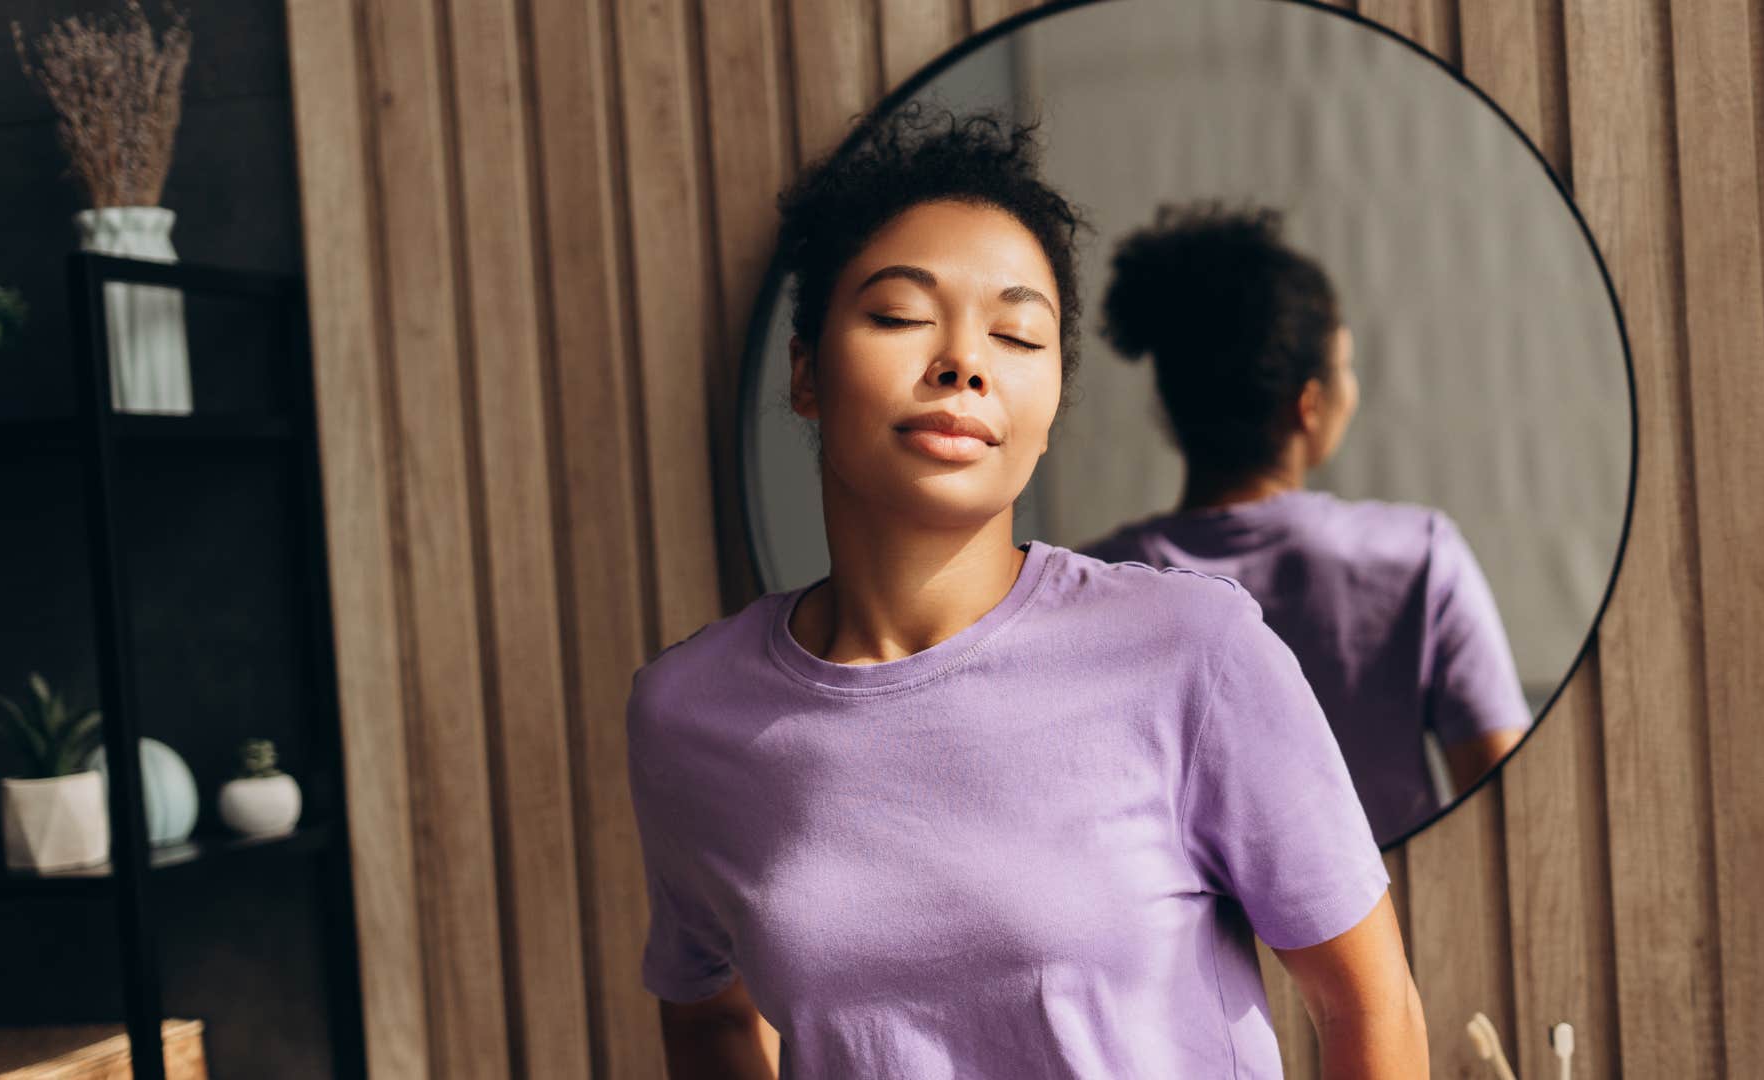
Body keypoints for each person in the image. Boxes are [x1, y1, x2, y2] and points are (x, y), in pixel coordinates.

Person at [626, 106, 1427, 1079]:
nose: (963, 363)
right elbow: (710, 1015)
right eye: (900, 316)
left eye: (1016, 335)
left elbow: (1370, 1005)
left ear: (1049, 409)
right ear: (806, 373)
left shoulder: (1190, 650)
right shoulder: (690, 714)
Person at [1079, 203, 1532, 845]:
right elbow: (1510, 803)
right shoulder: (1418, 556)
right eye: (1344, 365)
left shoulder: (1092, 585)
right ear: (1309, 404)